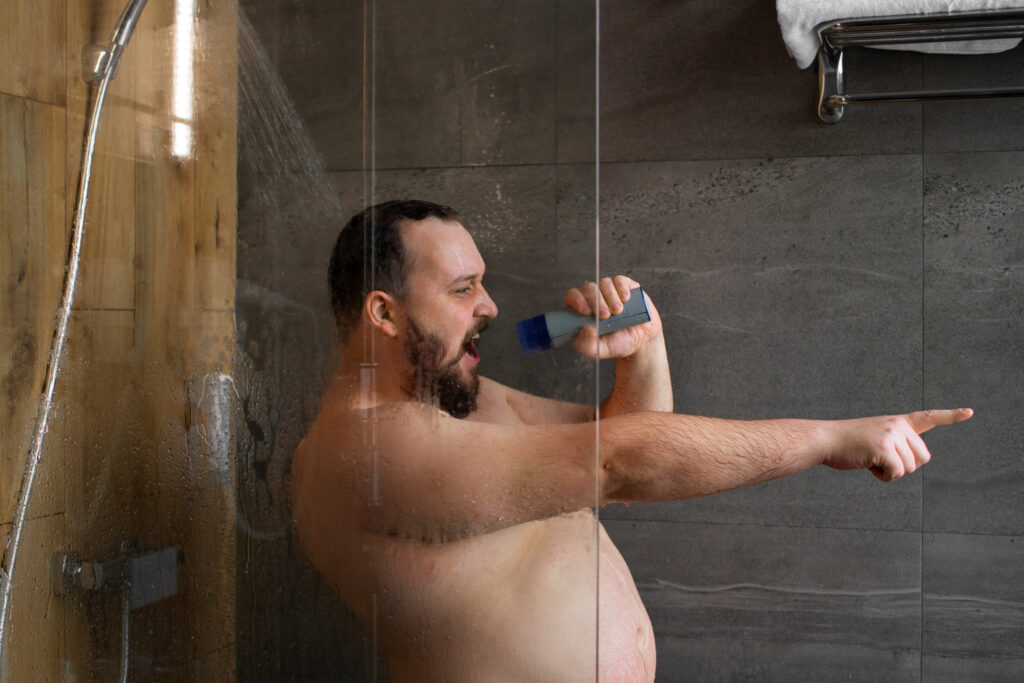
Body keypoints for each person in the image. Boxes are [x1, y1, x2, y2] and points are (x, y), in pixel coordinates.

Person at [291, 199, 972, 682]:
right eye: (465, 288)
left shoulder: (455, 398)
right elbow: (620, 463)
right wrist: (828, 437)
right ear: (382, 311)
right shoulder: (368, 451)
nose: (492, 306)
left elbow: (622, 439)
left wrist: (641, 349)